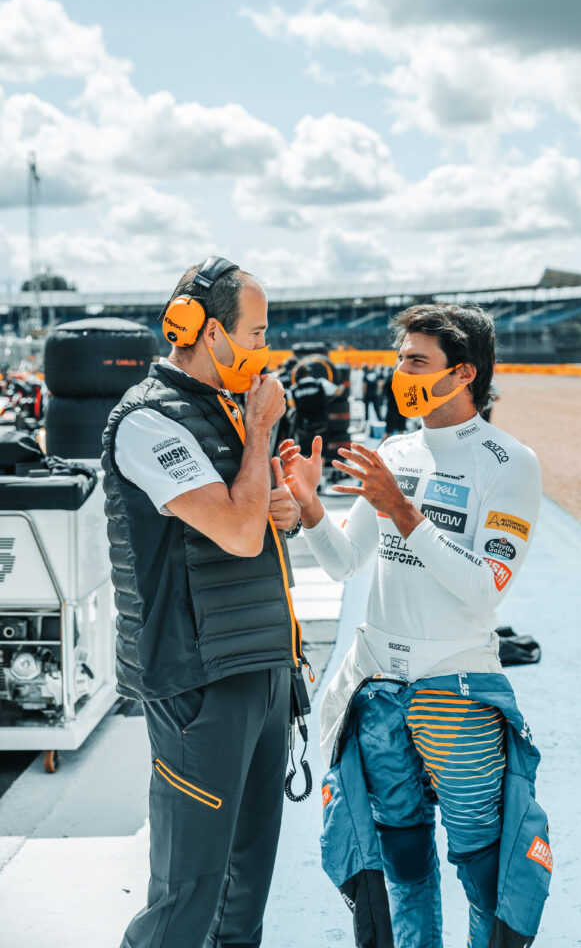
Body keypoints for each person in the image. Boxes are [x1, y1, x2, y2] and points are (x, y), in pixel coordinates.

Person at [279, 303, 549, 948]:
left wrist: (402, 510)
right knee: (400, 865)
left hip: (456, 693)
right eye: (400, 359)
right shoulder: (395, 451)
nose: (400, 372)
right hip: (376, 691)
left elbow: (485, 588)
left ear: (463, 373)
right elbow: (344, 565)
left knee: (484, 872)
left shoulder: (509, 463)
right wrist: (314, 508)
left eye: (415, 361)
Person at [101, 256, 305, 948]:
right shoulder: (146, 420)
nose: (262, 352)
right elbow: (238, 533)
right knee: (185, 901)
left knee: (243, 897)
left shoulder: (216, 410)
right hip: (197, 681)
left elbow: (250, 520)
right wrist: (259, 436)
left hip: (261, 672)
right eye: (254, 334)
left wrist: (285, 507)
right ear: (206, 331)